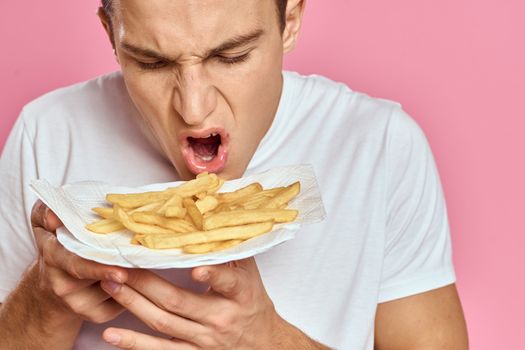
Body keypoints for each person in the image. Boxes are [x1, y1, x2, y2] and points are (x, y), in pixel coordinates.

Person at [0, 0, 469, 349]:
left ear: (290, 20)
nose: (194, 107)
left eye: (232, 56)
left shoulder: (379, 143)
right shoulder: (47, 132)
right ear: (110, 34)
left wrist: (269, 341)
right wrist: (42, 306)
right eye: (152, 63)